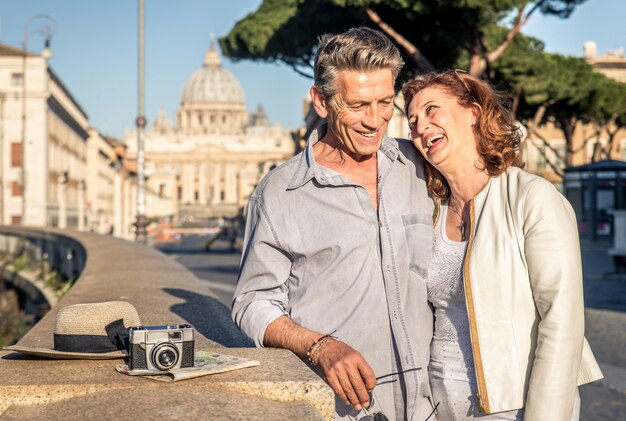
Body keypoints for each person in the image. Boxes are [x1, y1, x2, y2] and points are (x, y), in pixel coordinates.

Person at [232, 27, 436, 421]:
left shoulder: (420, 166)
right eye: (358, 105)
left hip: (433, 407)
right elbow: (252, 303)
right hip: (337, 410)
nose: (375, 121)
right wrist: (320, 347)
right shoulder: (279, 194)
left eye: (384, 102)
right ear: (321, 102)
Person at [402, 70, 603, 420]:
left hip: (512, 407)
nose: (420, 126)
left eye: (432, 110)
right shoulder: (431, 211)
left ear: (473, 113)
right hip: (437, 406)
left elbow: (562, 323)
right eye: (413, 120)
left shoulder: (531, 198)